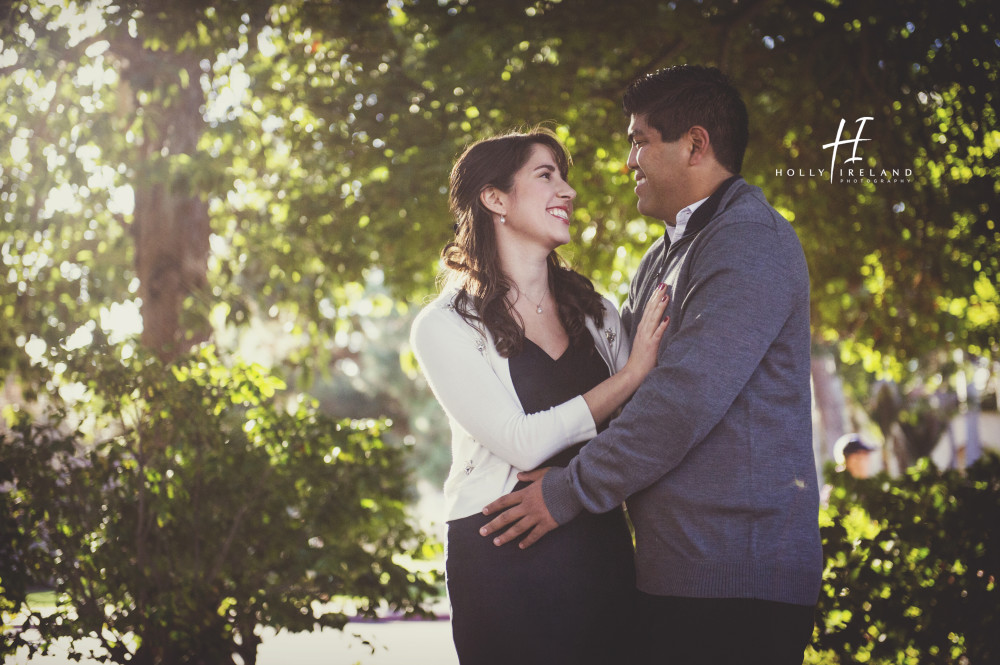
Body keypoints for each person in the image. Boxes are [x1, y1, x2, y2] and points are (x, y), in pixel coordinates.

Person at [480, 66, 824, 665]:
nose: (628, 162)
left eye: (640, 141)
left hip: (736, 581)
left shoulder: (748, 242)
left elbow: (679, 402)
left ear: (695, 144)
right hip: (674, 571)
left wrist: (567, 490)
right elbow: (629, 392)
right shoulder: (663, 254)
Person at [410, 128, 671, 665]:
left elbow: (640, 428)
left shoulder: (597, 313)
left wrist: (637, 380)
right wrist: (630, 375)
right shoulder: (444, 325)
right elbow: (521, 443)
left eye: (565, 177)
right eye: (546, 175)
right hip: (502, 552)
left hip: (599, 546)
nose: (568, 191)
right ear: (495, 199)